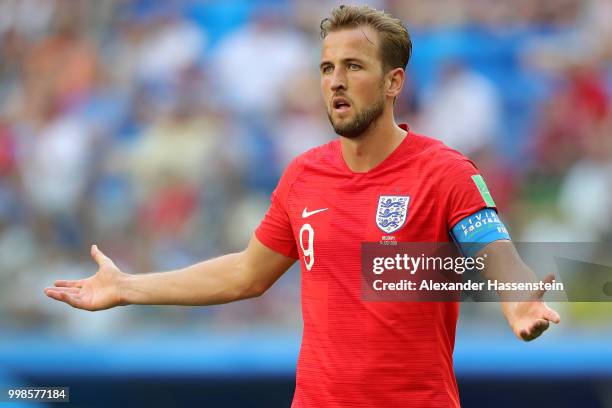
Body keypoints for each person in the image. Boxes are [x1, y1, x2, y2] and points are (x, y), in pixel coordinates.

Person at [45, 5, 561, 407]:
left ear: (393, 82)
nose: (334, 80)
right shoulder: (303, 175)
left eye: (353, 66)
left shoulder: (445, 171)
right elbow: (246, 274)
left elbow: (492, 248)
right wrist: (128, 287)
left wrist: (517, 299)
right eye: (326, 67)